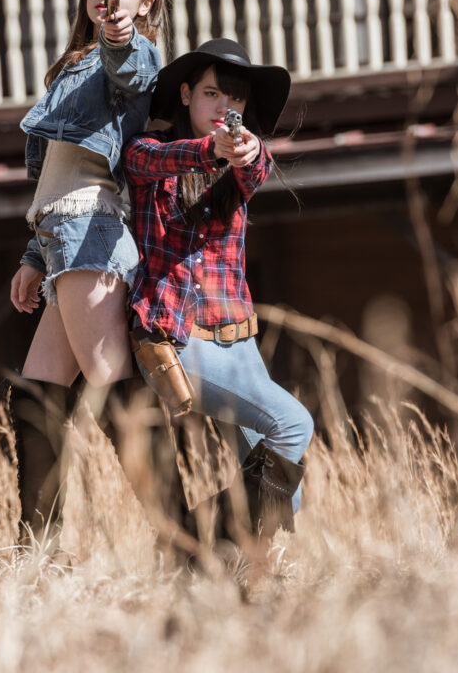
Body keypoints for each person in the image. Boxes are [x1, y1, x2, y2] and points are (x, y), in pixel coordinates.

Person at [0, 0, 167, 539]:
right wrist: (31, 257)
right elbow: (53, 175)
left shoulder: (135, 56)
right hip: (62, 235)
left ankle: (183, 538)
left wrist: (121, 35)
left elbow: (133, 69)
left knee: (113, 388)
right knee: (37, 396)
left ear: (145, 4)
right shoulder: (74, 64)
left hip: (92, 232)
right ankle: (38, 547)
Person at [124, 38, 313, 539]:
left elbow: (254, 166)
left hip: (241, 344)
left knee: (283, 479)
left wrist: (241, 151)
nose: (224, 108)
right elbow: (150, 161)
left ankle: (242, 571)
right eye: (212, 94)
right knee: (294, 426)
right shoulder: (150, 150)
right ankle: (199, 540)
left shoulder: (243, 157)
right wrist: (212, 149)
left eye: (235, 101)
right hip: (181, 341)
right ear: (185, 95)